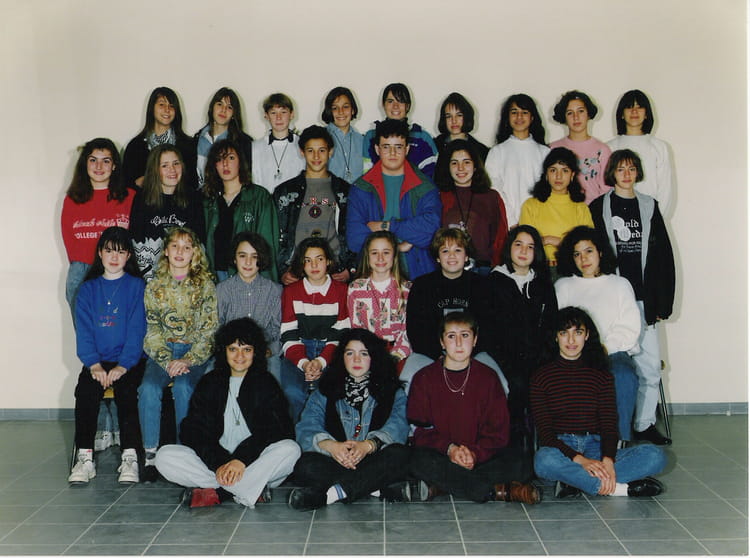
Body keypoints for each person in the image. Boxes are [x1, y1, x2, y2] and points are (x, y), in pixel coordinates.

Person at [155, 318, 300, 508]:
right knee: (164, 456)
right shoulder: (210, 382)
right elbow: (193, 431)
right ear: (223, 351)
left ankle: (219, 492)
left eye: (246, 349)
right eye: (233, 349)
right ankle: (248, 488)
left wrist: (241, 460)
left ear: (255, 352)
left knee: (291, 450)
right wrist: (220, 464)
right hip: (216, 465)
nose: (240, 356)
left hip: (253, 461)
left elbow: (276, 430)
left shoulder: (265, 382)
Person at [532, 307, 666, 498]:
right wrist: (581, 461)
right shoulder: (541, 377)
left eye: (578, 332)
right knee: (543, 460)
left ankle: (575, 481)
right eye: (564, 333)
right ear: (555, 337)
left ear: (587, 335)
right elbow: (546, 434)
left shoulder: (601, 374)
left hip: (596, 446)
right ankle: (619, 489)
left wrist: (608, 460)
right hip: (562, 450)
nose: (571, 340)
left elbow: (609, 424)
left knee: (655, 456)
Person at [408, 312, 541, 504]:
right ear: (442, 342)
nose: (459, 343)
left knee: (523, 462)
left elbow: (498, 433)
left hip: (481, 457)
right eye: (451, 336)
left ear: (475, 339)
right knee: (416, 460)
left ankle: (442, 486)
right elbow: (420, 431)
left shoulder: (488, 377)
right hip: (442, 455)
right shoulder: (424, 378)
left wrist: (474, 454)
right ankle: (499, 492)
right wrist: (450, 449)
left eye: (465, 335)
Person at [590, 150, 675, 445]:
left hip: (644, 300)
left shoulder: (649, 206)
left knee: (650, 366)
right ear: (611, 173)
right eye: (620, 169)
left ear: (638, 172)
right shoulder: (598, 207)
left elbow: (664, 257)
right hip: (612, 301)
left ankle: (644, 424)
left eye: (631, 168)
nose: (626, 174)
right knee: (612, 365)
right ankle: (611, 425)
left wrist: (663, 303)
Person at [289, 328, 410, 510]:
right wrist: (332, 446)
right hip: (337, 460)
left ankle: (333, 494)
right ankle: (374, 487)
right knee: (304, 465)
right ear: (342, 357)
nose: (356, 360)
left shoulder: (393, 391)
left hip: (374, 458)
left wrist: (368, 445)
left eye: (364, 353)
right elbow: (306, 426)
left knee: (399, 454)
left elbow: (399, 425)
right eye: (350, 353)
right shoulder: (325, 390)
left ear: (374, 357)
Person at [139, 227, 218, 482]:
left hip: (194, 352)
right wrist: (167, 360)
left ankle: (186, 452)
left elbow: (209, 329)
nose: (180, 252)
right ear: (166, 251)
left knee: (183, 387)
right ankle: (150, 455)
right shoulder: (154, 286)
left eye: (186, 247)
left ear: (195, 252)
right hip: (163, 351)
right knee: (148, 388)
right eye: (175, 246)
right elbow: (152, 330)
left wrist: (188, 359)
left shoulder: (205, 285)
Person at [68, 227, 146, 485]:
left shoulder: (137, 286)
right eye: (109, 251)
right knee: (85, 392)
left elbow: (137, 330)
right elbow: (84, 333)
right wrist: (94, 365)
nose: (114, 257)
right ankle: (85, 458)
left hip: (128, 361)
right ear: (100, 253)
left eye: (121, 252)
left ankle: (130, 457)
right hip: (98, 362)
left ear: (129, 256)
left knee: (127, 392)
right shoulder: (87, 289)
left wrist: (124, 365)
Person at [555, 226, 640, 442]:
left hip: (612, 353)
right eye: (577, 254)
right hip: (573, 353)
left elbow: (629, 327)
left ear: (600, 252)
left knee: (624, 375)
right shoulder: (564, 286)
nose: (583, 259)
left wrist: (603, 348)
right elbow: (557, 325)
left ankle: (618, 442)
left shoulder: (619, 284)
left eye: (589, 251)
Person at [402, 228, 506, 393]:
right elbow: (416, 331)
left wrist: (467, 355)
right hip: (431, 355)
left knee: (501, 386)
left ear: (466, 256)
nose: (451, 256)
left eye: (457, 250)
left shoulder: (482, 285)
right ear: (437, 257)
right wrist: (440, 356)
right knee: (407, 384)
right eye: (445, 251)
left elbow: (489, 328)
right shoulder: (422, 285)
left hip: (473, 353)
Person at [487, 225, 557, 445]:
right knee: (517, 384)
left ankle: (547, 443)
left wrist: (543, 355)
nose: (524, 251)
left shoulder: (543, 283)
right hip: (505, 358)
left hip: (539, 356)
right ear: (510, 247)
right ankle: (516, 444)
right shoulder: (494, 282)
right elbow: (489, 331)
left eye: (530, 246)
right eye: (519, 244)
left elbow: (551, 325)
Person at [347, 118, 441, 281]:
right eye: (386, 147)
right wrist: (399, 246)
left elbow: (431, 231)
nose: (392, 153)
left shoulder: (425, 186)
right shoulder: (361, 188)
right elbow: (355, 239)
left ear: (407, 149)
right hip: (374, 277)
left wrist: (386, 225)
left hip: (418, 274)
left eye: (398, 147)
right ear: (377, 149)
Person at [62, 138, 134, 320]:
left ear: (114, 165)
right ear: (85, 164)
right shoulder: (72, 199)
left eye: (106, 161)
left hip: (119, 271)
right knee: (86, 331)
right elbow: (69, 239)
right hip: (82, 270)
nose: (99, 166)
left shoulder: (129, 197)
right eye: (93, 160)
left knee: (116, 329)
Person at [274, 125, 356, 285]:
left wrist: (350, 268)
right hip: (296, 272)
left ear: (330, 151)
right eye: (310, 150)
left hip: (335, 271)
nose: (316, 156)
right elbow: (275, 236)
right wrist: (282, 271)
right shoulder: (285, 192)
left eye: (322, 150)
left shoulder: (345, 191)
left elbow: (354, 231)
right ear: (302, 152)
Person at [280, 237, 350, 421]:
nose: (314, 265)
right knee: (292, 392)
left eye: (319, 259)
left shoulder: (342, 290)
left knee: (328, 393)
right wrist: (304, 363)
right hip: (298, 350)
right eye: (307, 260)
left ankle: (322, 434)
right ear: (301, 265)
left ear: (329, 262)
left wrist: (321, 361)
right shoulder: (291, 291)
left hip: (331, 350)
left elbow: (341, 332)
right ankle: (294, 434)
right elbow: (288, 333)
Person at [203, 139, 280, 282]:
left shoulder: (259, 197)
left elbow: (267, 243)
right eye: (219, 159)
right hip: (216, 275)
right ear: (214, 165)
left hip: (249, 275)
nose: (225, 164)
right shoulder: (209, 201)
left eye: (231, 158)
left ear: (240, 162)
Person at [129, 145, 206, 280]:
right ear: (155, 170)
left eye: (176, 163)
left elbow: (199, 244)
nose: (172, 170)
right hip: (150, 279)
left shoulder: (194, 199)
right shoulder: (142, 200)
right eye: (165, 165)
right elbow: (136, 245)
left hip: (186, 278)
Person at [434, 139, 508, 275]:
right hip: (449, 269)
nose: (460, 168)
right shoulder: (439, 197)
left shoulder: (491, 197)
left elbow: (500, 238)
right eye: (454, 163)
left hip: (484, 270)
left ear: (475, 166)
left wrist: (496, 269)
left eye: (466, 162)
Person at [216, 232, 283, 383]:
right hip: (231, 354)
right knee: (212, 382)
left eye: (254, 257)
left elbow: (278, 330)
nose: (248, 262)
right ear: (234, 258)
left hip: (264, 354)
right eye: (242, 256)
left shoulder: (275, 291)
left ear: (262, 259)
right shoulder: (222, 290)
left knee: (273, 383)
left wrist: (267, 351)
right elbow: (216, 328)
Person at [518, 146, 594, 278]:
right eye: (553, 170)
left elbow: (587, 246)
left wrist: (552, 240)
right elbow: (527, 243)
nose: (558, 176)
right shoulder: (531, 205)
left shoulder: (581, 208)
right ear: (546, 175)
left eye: (565, 170)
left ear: (572, 175)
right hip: (538, 271)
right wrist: (567, 243)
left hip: (572, 271)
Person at [347, 231, 411, 366]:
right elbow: (356, 327)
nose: (380, 258)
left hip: (399, 355)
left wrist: (395, 356)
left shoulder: (407, 290)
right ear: (367, 256)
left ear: (394, 256)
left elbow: (408, 330)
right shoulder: (355, 289)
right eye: (374, 253)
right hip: (367, 354)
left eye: (386, 252)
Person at [485, 94, 550, 226]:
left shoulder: (545, 152)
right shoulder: (497, 152)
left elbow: (549, 190)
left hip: (539, 222)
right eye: (514, 112)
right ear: (507, 117)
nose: (519, 117)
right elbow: (494, 188)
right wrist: (511, 221)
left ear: (532, 117)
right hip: (507, 223)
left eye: (524, 112)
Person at [607, 89, 675, 216]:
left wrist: (656, 219)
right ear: (622, 114)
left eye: (639, 107)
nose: (634, 111)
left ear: (647, 114)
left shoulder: (659, 147)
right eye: (629, 107)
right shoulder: (609, 147)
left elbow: (665, 189)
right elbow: (606, 187)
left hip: (651, 216)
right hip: (617, 216)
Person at [122, 86, 197, 190]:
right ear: (152, 108)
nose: (167, 110)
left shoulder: (188, 145)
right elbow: (126, 184)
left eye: (171, 106)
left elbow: (193, 183)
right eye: (162, 104)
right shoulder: (135, 146)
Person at [362, 83, 439, 178]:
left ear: (408, 106)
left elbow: (430, 177)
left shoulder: (422, 138)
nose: (395, 106)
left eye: (401, 101)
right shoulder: (371, 136)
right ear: (383, 105)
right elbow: (367, 174)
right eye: (390, 101)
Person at [550, 90, 612, 204]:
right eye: (570, 113)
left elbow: (607, 190)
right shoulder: (552, 149)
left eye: (581, 111)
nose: (576, 117)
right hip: (560, 209)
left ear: (588, 114)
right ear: (564, 117)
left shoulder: (602, 150)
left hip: (592, 210)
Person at [194, 87, 254, 192]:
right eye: (219, 104)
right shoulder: (197, 140)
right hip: (200, 198)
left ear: (234, 114)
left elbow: (246, 178)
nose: (223, 110)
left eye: (229, 107)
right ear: (212, 107)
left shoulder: (244, 143)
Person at [251, 92, 305, 193]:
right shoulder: (255, 147)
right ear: (266, 116)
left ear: (292, 114)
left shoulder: (302, 145)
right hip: (265, 201)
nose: (278, 117)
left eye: (283, 112)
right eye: (273, 113)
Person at [322, 86, 364, 182]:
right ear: (329, 111)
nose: (341, 112)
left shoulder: (361, 140)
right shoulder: (321, 138)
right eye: (335, 108)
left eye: (345, 107)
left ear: (352, 110)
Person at [433, 92, 489, 161]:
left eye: (459, 115)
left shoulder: (481, 152)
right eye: (449, 116)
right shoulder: (433, 146)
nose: (454, 121)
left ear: (467, 116)